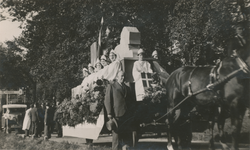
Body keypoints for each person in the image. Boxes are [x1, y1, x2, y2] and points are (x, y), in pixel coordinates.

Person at [104, 71, 134, 150]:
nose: (122, 78)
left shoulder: (127, 87)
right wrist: (109, 113)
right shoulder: (112, 86)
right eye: (121, 76)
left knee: (125, 134)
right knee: (116, 136)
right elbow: (108, 100)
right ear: (117, 77)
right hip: (116, 114)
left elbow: (129, 101)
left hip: (126, 114)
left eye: (123, 76)